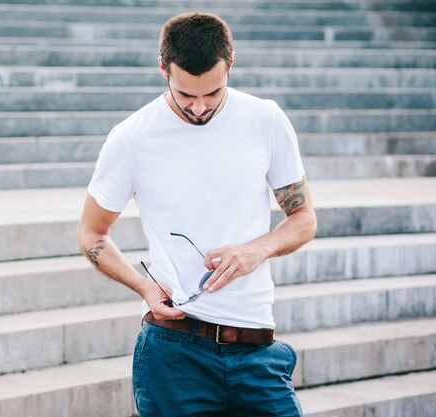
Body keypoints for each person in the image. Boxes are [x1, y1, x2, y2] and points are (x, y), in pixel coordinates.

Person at [77, 11, 317, 417]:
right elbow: (91, 234)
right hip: (174, 352)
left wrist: (255, 251)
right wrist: (145, 288)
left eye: (213, 93)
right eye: (187, 95)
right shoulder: (131, 138)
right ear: (162, 69)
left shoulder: (267, 120)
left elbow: (304, 218)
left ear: (231, 63)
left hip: (257, 348)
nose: (201, 107)